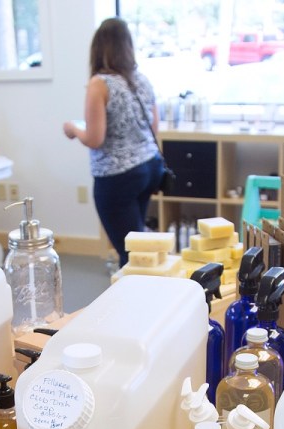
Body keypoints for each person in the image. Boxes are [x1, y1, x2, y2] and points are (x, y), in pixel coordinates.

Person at [63, 18, 164, 267]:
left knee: (131, 256)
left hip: (117, 177)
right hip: (148, 168)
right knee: (138, 244)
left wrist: (74, 129)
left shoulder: (100, 84)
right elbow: (153, 127)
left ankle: (134, 301)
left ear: (98, 48)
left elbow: (95, 139)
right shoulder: (141, 79)